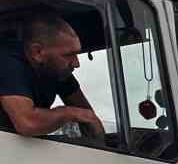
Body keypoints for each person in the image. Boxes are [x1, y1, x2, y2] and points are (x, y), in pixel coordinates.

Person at [0, 10, 104, 139]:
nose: (76, 63)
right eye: (68, 55)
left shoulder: (54, 69)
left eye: (76, 54)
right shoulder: (7, 62)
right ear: (37, 52)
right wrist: (69, 113)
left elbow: (87, 116)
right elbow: (27, 123)